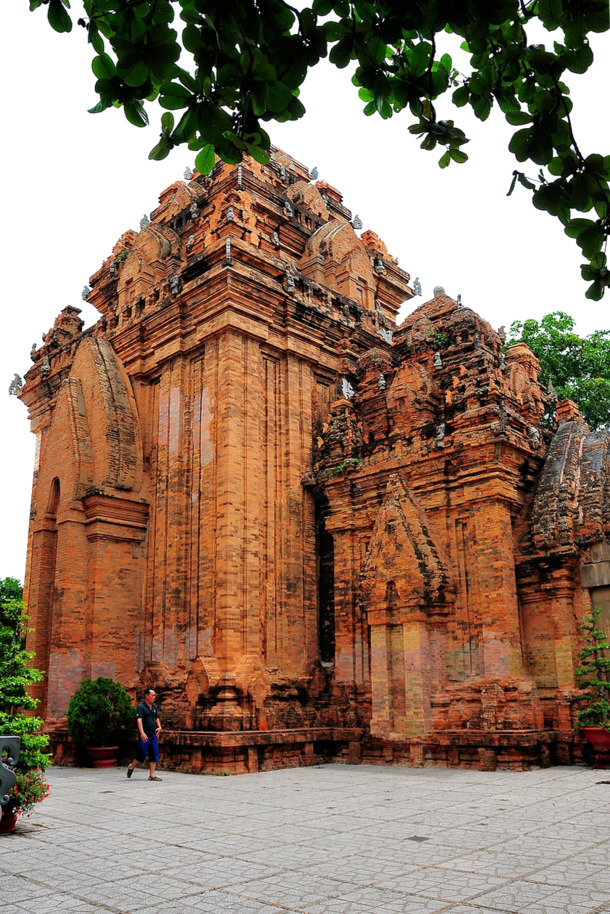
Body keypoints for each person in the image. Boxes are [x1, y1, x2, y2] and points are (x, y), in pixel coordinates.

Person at [126, 688, 162, 781]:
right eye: (152, 695)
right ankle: (132, 766)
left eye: (155, 696)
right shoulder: (141, 707)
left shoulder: (153, 706)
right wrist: (142, 733)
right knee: (143, 752)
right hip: (145, 735)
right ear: (146, 696)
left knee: (154, 752)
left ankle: (152, 775)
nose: (154, 697)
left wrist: (159, 727)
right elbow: (139, 720)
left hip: (153, 734)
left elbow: (156, 717)